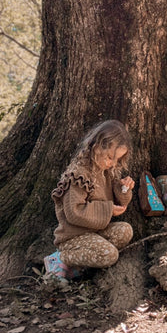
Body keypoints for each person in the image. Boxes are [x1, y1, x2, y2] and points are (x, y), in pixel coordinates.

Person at [44, 120, 135, 279]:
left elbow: (120, 200)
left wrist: (124, 189)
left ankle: (79, 265)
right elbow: (74, 212)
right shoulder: (79, 174)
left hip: (95, 233)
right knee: (110, 255)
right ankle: (59, 259)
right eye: (109, 157)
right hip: (73, 237)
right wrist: (108, 210)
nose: (112, 163)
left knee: (125, 230)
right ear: (97, 146)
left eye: (117, 160)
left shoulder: (106, 171)